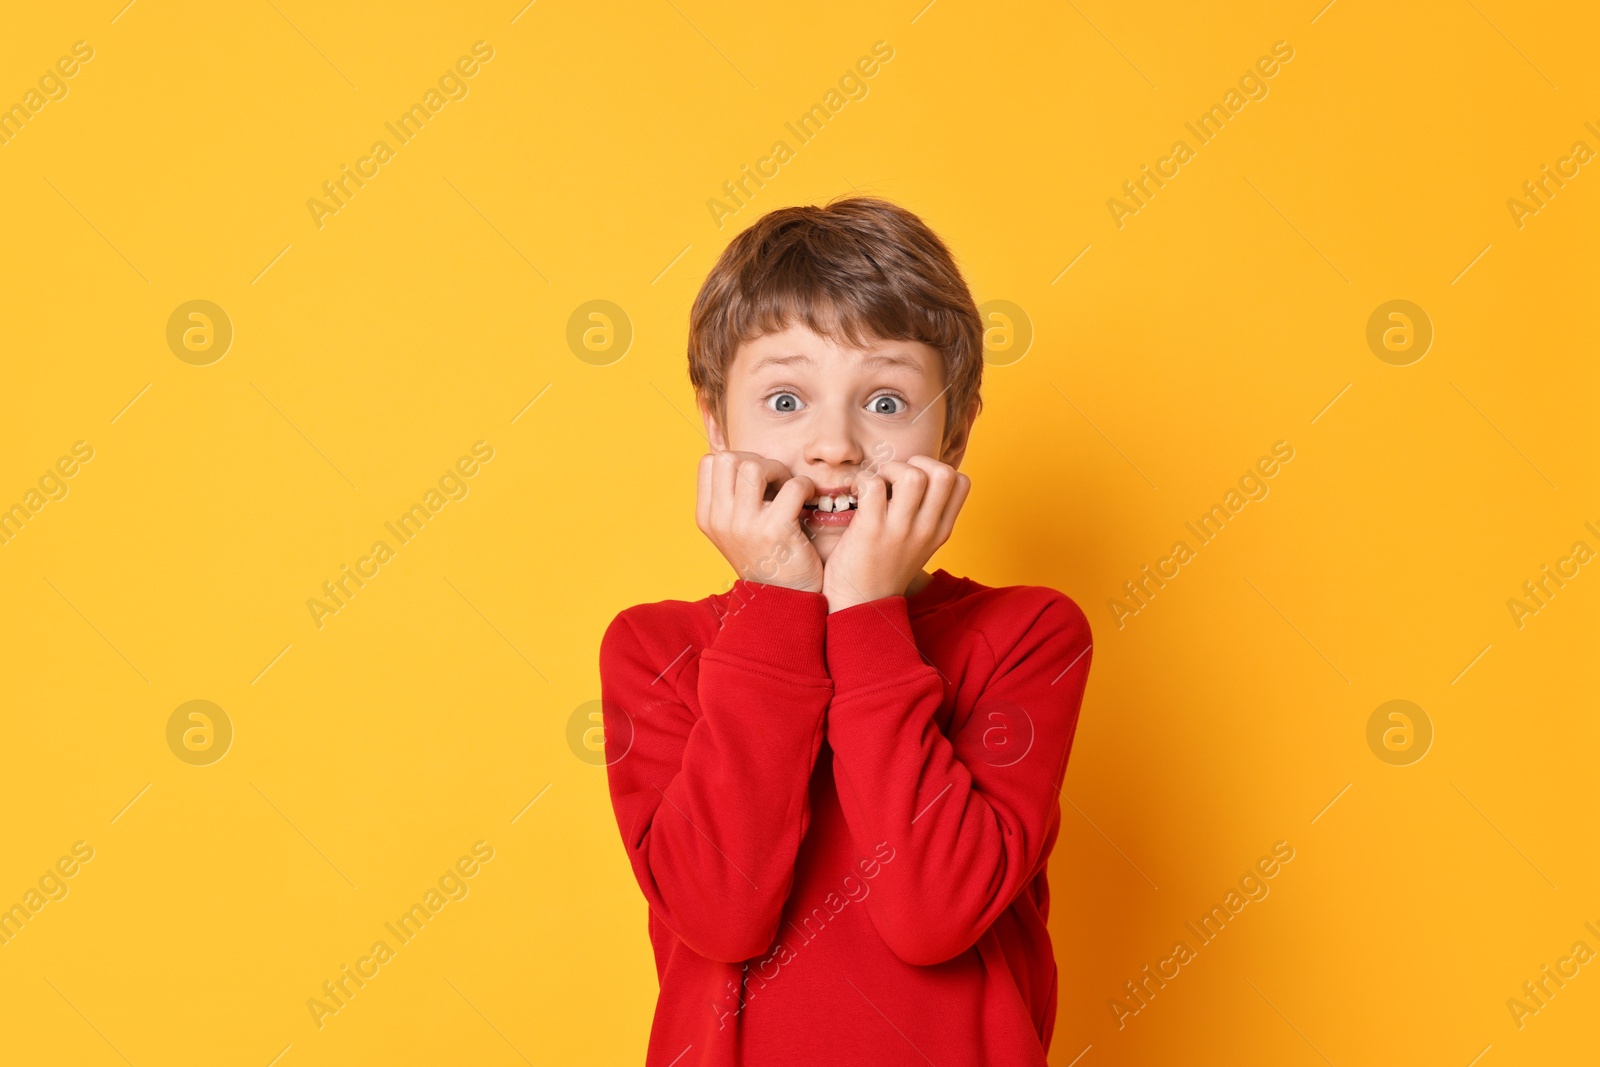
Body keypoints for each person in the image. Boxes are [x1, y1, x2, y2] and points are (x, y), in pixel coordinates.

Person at [599, 195, 1094, 1065]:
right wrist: (777, 602)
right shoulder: (654, 651)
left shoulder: (1028, 634)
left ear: (956, 431)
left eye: (887, 401)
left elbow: (931, 912)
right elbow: (722, 912)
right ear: (717, 424)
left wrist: (865, 611)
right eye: (786, 398)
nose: (833, 445)